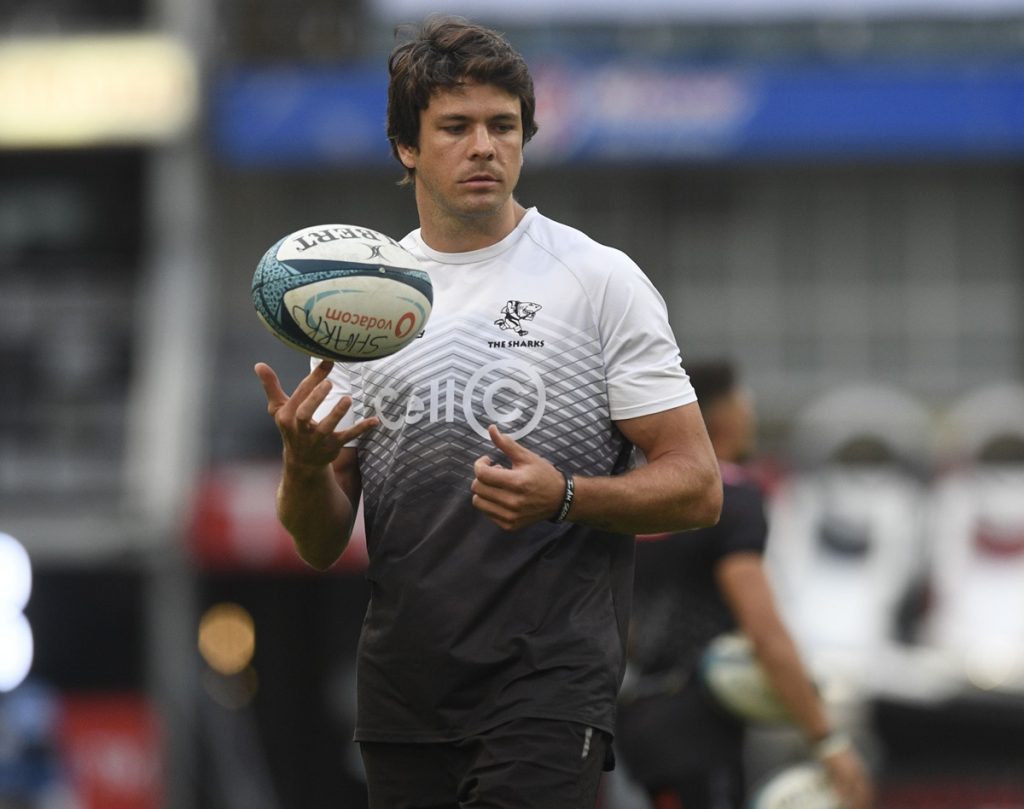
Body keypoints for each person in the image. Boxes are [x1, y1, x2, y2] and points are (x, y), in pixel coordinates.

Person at [253, 16, 723, 809]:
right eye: (457, 127)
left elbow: (698, 485)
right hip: (404, 689)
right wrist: (302, 464)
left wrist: (566, 496)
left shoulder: (595, 279)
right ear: (408, 147)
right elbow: (319, 541)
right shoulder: (359, 307)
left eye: (503, 126)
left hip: (549, 682)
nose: (484, 147)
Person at [615, 361, 874, 809]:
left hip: (635, 721)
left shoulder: (638, 497)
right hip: (699, 726)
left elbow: (628, 629)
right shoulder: (730, 496)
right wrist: (826, 739)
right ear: (725, 416)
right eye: (743, 400)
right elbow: (764, 629)